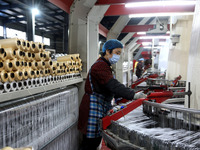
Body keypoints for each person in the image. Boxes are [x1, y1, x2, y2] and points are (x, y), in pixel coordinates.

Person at [78, 39, 146, 150]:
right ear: (108, 51)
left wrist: (119, 97)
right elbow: (112, 85)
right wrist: (133, 95)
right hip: (93, 107)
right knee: (90, 143)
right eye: (117, 53)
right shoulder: (100, 66)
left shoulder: (106, 66)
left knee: (94, 141)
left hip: (100, 105)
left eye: (120, 53)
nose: (118, 56)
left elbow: (108, 87)